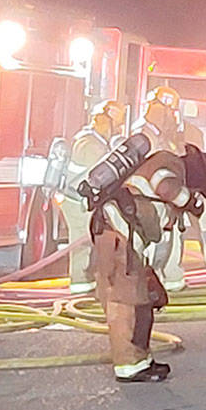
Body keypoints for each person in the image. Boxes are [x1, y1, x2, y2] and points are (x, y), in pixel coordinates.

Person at [90, 140, 206, 382]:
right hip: (119, 235)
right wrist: (191, 202)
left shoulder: (166, 164)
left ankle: (141, 361)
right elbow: (165, 186)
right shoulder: (170, 163)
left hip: (125, 238)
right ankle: (129, 366)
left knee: (140, 300)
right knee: (126, 303)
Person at [140, 88, 206, 287]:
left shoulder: (175, 132)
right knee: (168, 234)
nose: (167, 115)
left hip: (178, 191)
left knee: (186, 228)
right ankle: (167, 278)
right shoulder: (143, 135)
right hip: (160, 195)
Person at [62, 99, 127, 293]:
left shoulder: (95, 142)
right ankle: (79, 283)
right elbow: (102, 173)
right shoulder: (88, 144)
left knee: (90, 240)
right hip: (77, 203)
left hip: (85, 202)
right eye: (115, 125)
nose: (116, 130)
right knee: (82, 242)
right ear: (103, 121)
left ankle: (88, 280)